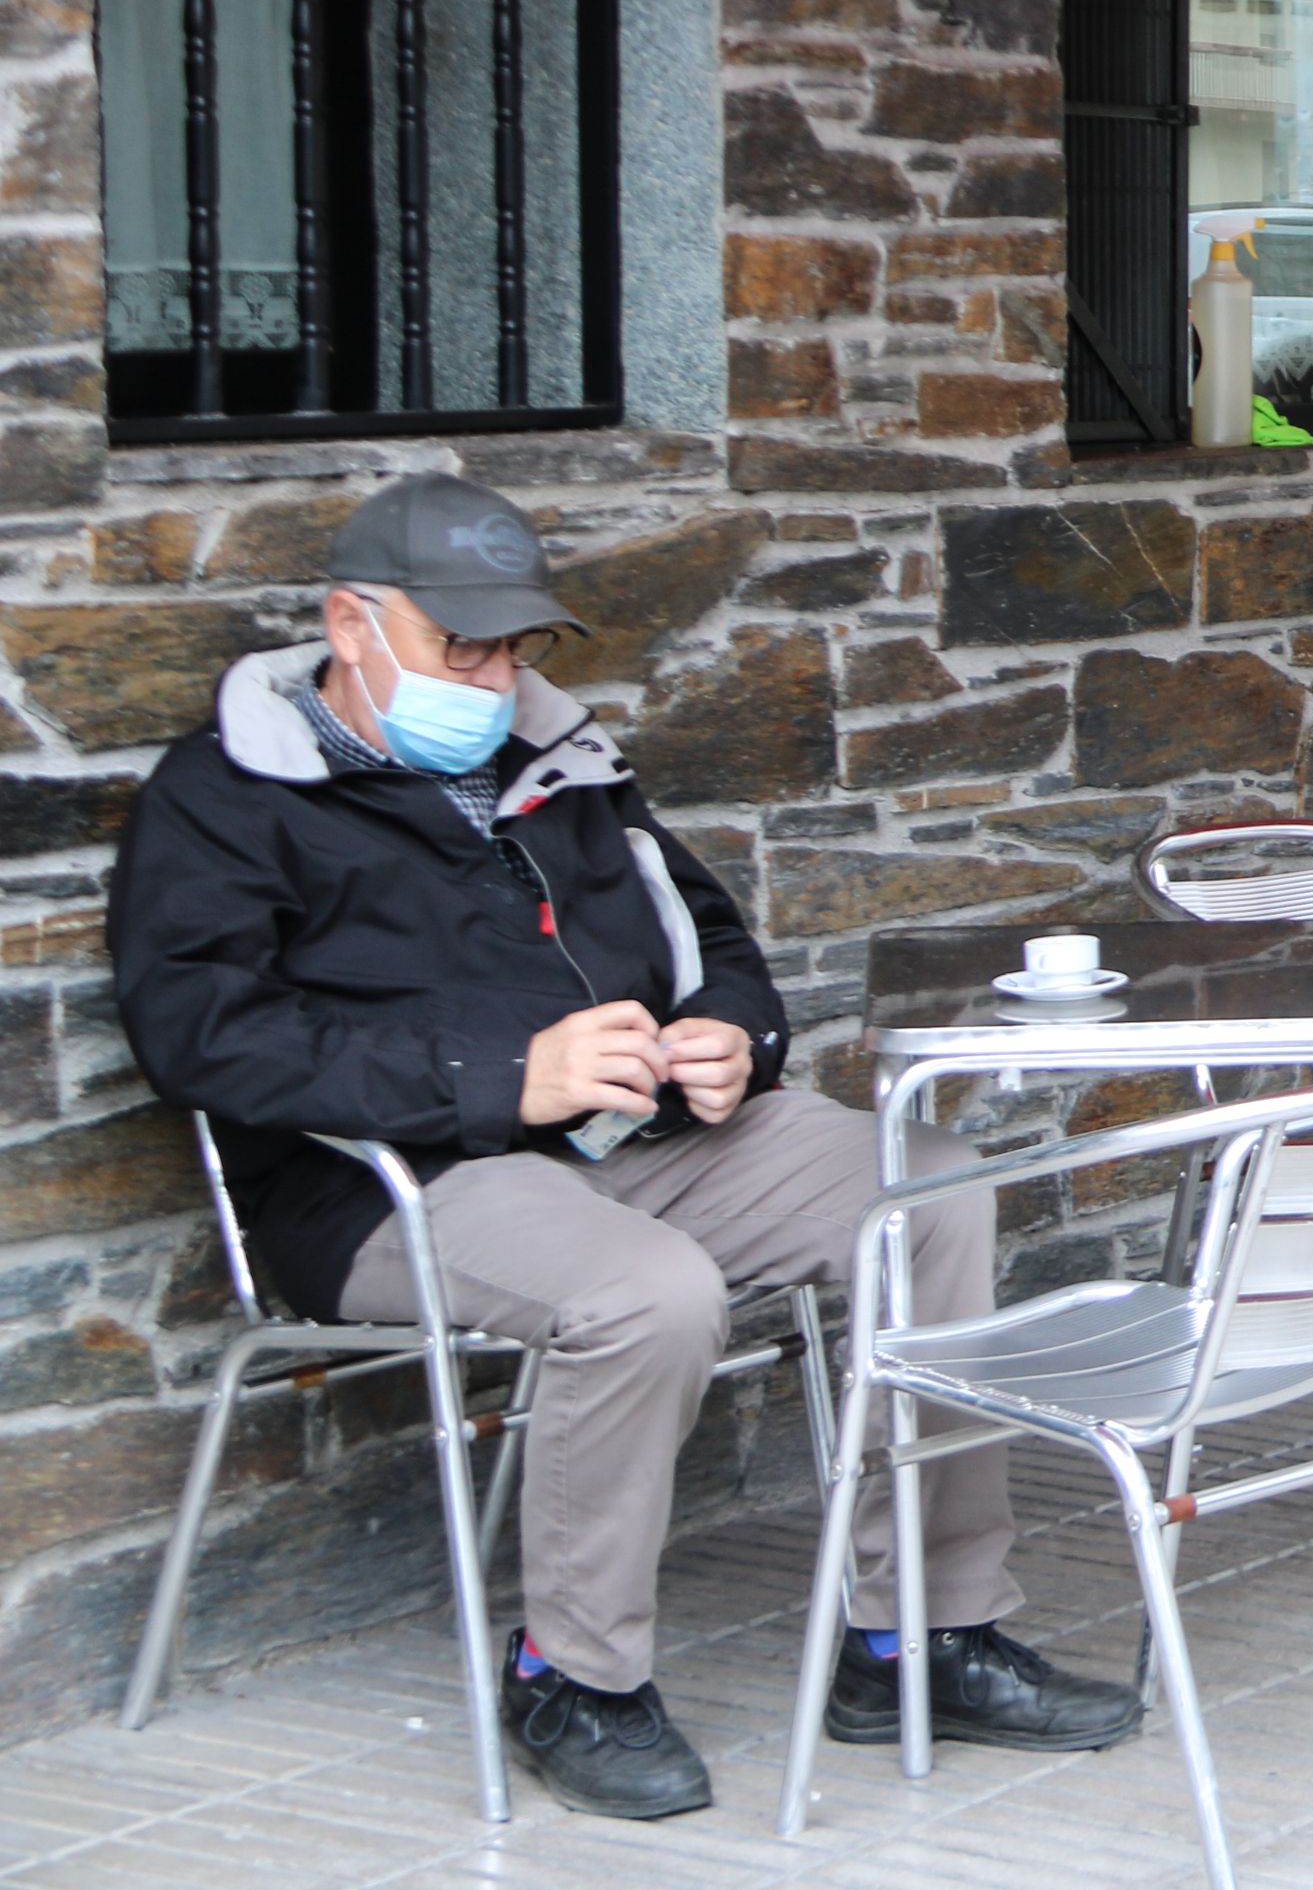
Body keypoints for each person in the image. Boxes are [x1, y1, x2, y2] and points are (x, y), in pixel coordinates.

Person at [111, 474, 1141, 1820]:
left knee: (929, 1194)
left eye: (514, 647)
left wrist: (729, 1035)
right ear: (350, 623)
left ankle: (920, 1639)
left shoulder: (565, 760)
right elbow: (200, 1036)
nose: (490, 677)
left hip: (635, 1141)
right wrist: (500, 1077)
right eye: (457, 646)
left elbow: (712, 943)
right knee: (646, 1293)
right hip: (382, 1182)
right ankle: (574, 1676)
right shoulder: (226, 794)